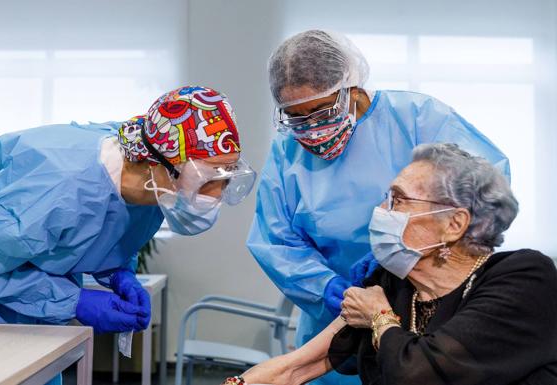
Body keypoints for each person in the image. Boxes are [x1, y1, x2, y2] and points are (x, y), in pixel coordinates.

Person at [246, 30, 510, 385]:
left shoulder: (419, 120)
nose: (312, 128)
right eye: (296, 116)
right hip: (338, 315)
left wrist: (404, 254)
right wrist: (326, 287)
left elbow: (485, 185)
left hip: (426, 306)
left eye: (320, 110)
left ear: (351, 88)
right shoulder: (286, 151)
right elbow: (275, 238)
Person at [0, 85, 256, 333]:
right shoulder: (57, 187)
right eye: (205, 178)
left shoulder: (152, 185)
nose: (214, 194)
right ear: (153, 164)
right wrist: (71, 301)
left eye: (226, 176)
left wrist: (119, 273)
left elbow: (101, 230)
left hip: (17, 293)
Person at [228, 143, 557, 385]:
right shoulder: (390, 284)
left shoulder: (524, 277)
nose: (382, 210)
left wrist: (379, 317)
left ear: (454, 223)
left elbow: (418, 375)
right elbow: (296, 367)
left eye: (398, 200)